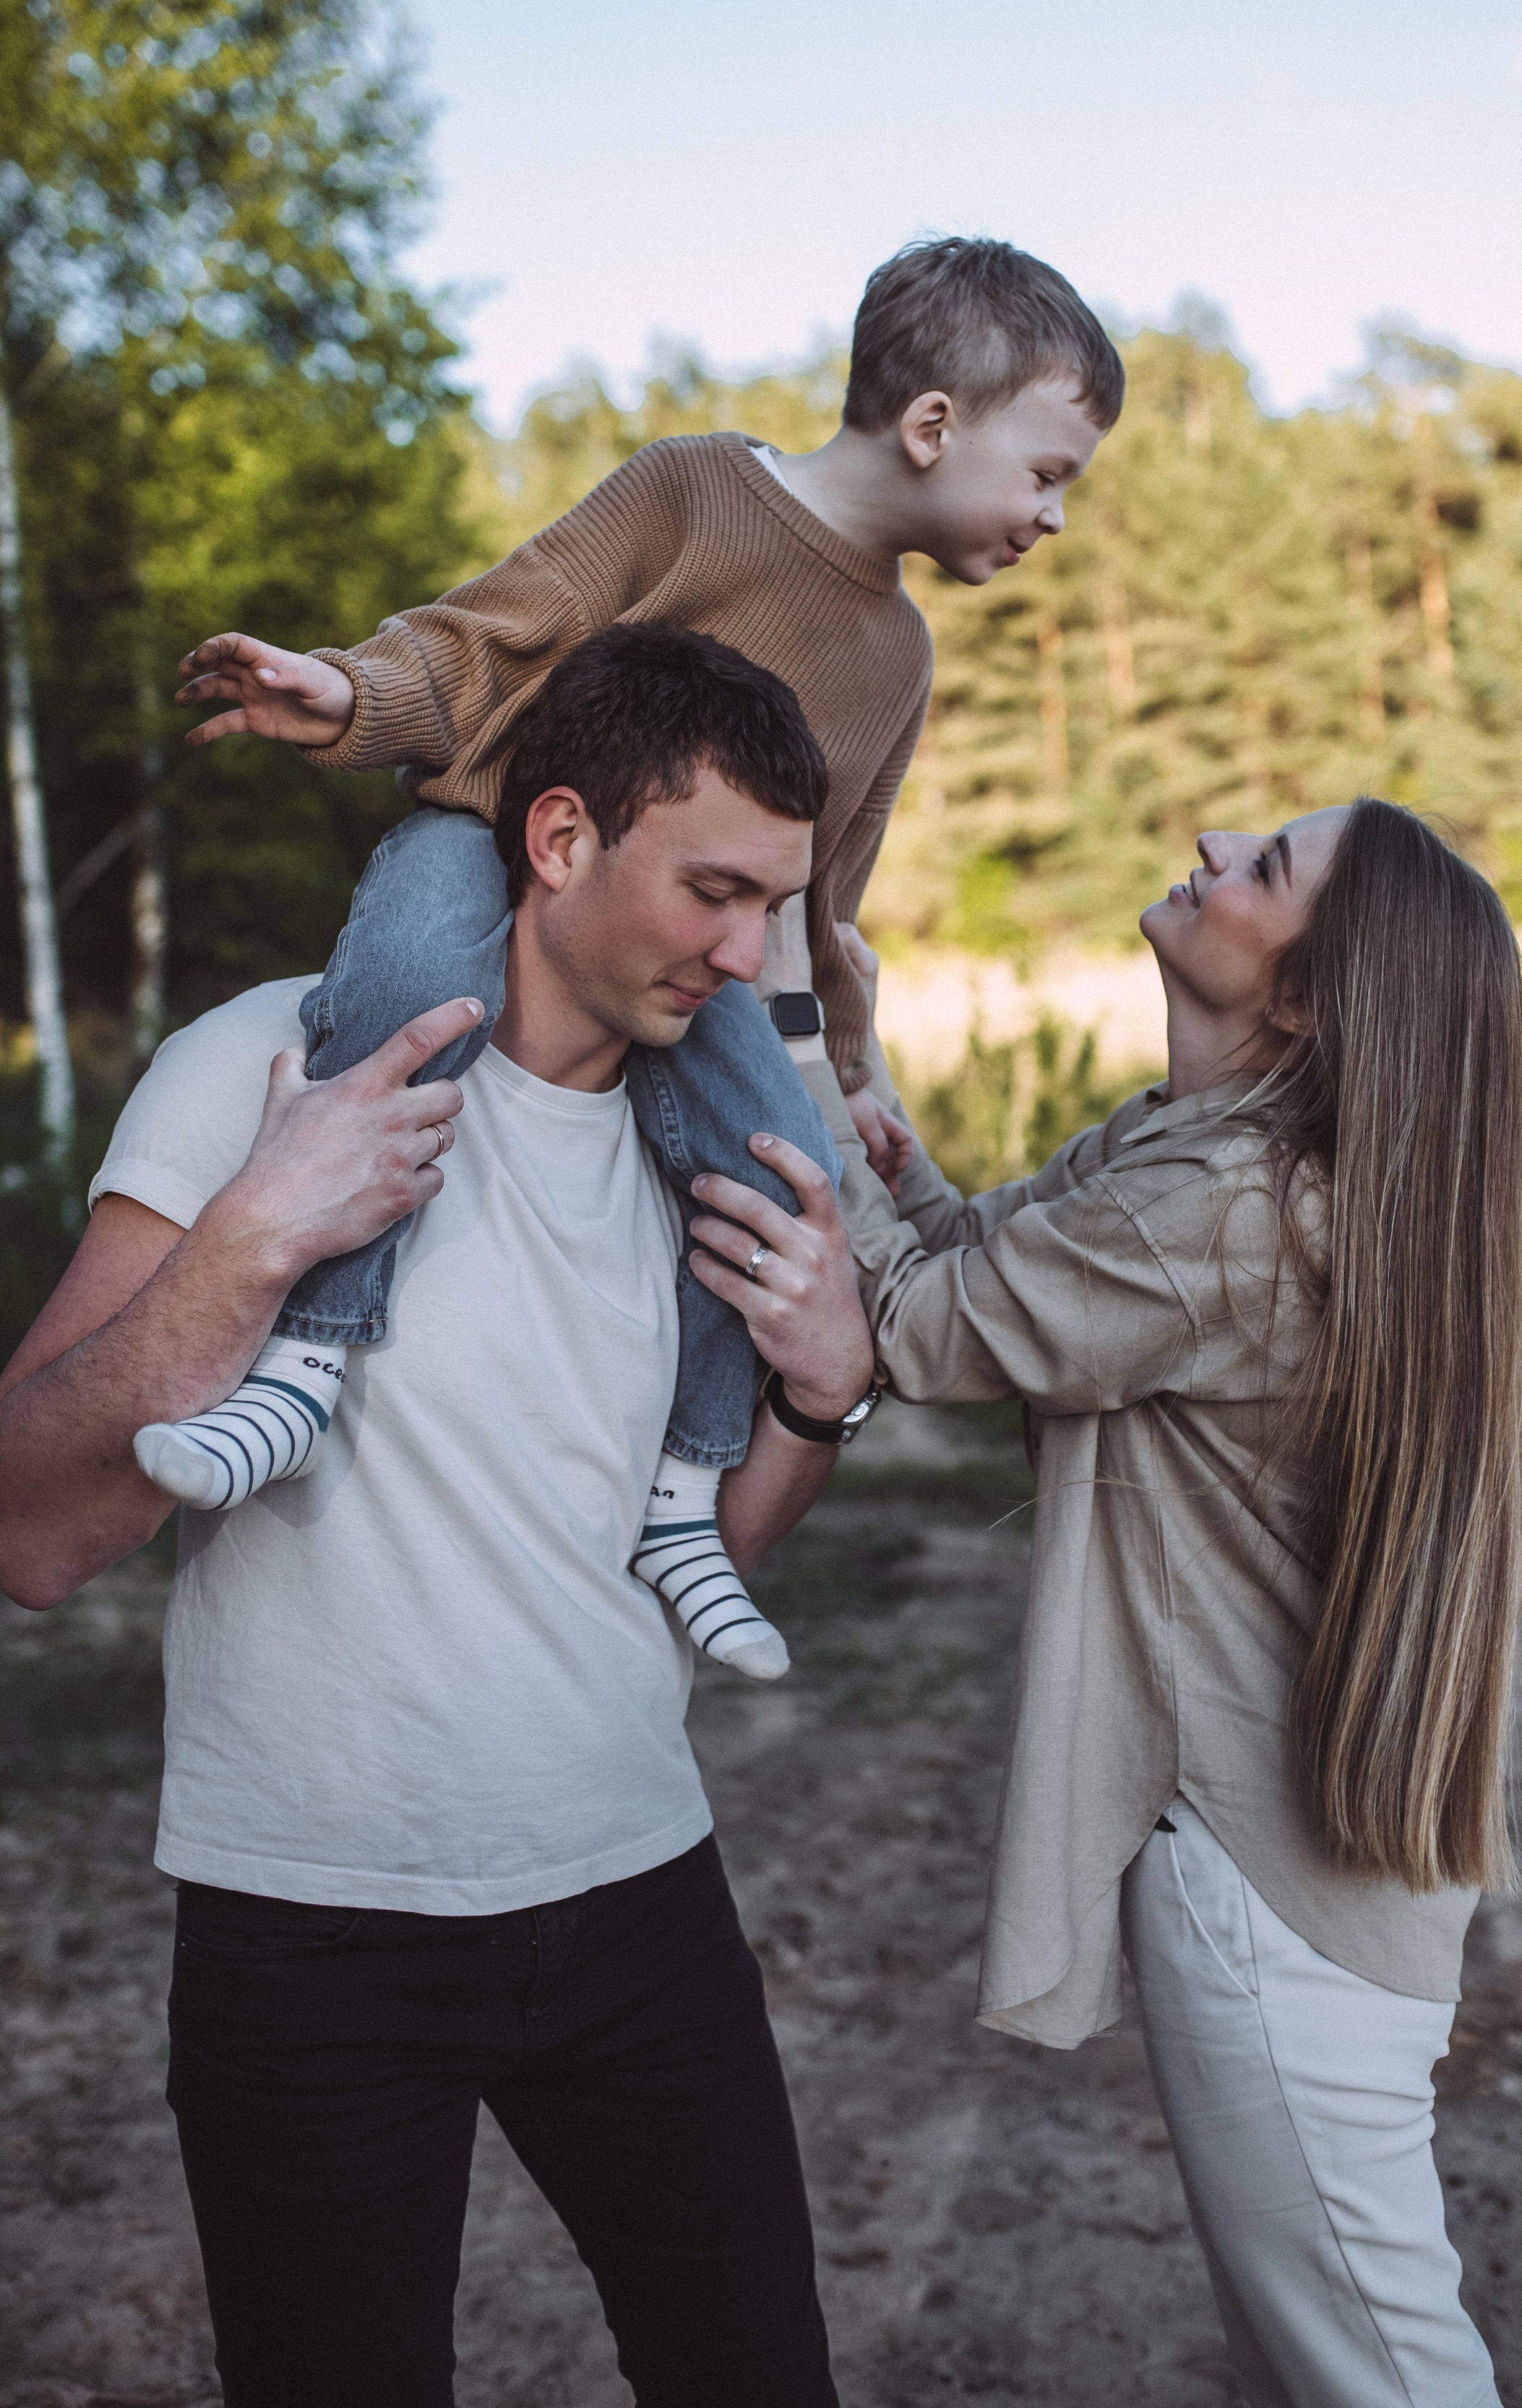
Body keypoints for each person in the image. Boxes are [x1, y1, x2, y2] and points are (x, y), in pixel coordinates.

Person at [0, 625, 882, 2408]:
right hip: (309, 1938)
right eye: (711, 890)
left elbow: (712, 1550)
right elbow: (29, 1531)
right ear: (556, 840)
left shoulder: (705, 1149)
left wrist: (819, 1389)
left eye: (773, 908)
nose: (744, 956)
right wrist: (258, 1233)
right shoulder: (267, 1066)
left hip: (642, 1900)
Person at [138, 238, 1125, 1644]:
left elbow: (824, 890)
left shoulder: (896, 656)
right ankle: (304, 1365)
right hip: (481, 836)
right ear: (930, 427)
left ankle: (684, 1486)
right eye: (1047, 475)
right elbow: (493, 636)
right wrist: (351, 694)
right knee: (414, 990)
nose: (1052, 517)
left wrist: (850, 1070)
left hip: (693, 959)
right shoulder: (693, 491)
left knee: (772, 1178)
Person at [694, 799, 1522, 2408]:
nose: (1214, 838)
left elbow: (900, 1326)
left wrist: (786, 1009)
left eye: (1264, 866)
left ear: (1300, 998)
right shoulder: (1208, 1151)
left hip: (1263, 1891)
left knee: (1371, 2370)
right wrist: (863, 1085)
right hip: (1298, 1868)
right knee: (1323, 2355)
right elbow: (968, 1268)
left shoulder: (1220, 1205)